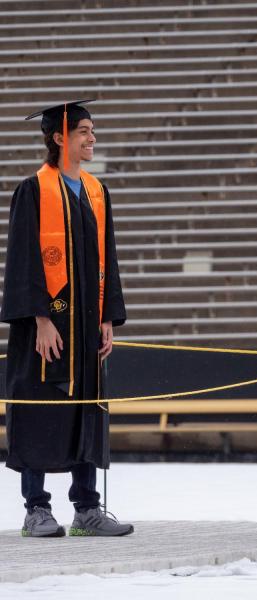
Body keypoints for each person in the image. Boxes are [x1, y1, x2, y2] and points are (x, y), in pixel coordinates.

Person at [1, 100, 133, 537]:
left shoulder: (96, 191)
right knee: (41, 410)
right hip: (47, 327)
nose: (92, 138)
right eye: (84, 132)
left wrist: (108, 317)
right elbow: (22, 260)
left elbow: (106, 259)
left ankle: (87, 509)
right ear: (60, 138)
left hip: (87, 328)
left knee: (86, 413)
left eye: (92, 131)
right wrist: (40, 317)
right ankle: (36, 509)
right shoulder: (33, 190)